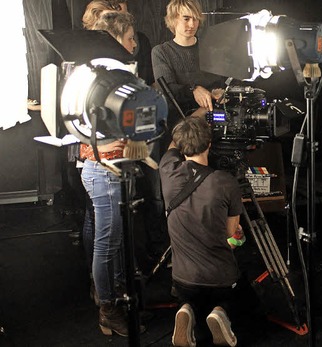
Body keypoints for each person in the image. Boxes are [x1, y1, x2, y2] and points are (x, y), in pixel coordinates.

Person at [79, 10, 141, 337]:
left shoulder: (106, 75)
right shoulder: (103, 77)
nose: (134, 46)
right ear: (115, 39)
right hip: (103, 170)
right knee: (107, 243)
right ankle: (108, 308)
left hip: (108, 167)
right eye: (130, 39)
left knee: (114, 242)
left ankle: (113, 296)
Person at [159, 116, 244, 347]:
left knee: (190, 296)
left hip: (182, 278)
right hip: (219, 278)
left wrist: (184, 130)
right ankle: (220, 312)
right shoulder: (225, 182)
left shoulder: (167, 170)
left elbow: (172, 147)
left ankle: (186, 309)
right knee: (240, 296)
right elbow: (230, 234)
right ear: (209, 144)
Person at [151, 0, 226, 133]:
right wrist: (194, 89)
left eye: (195, 19)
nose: (192, 24)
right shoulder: (161, 52)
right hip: (180, 128)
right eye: (186, 19)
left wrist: (222, 93)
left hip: (215, 125)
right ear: (173, 19)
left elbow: (224, 82)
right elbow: (167, 89)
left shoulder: (210, 48)